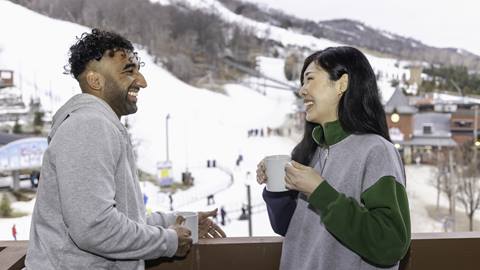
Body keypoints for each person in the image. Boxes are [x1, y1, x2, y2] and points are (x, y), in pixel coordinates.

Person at [25, 29, 225, 270]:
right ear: (95, 81)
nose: (142, 81)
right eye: (129, 71)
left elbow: (124, 218)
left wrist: (177, 221)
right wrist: (168, 241)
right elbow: (95, 227)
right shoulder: (88, 127)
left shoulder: (99, 125)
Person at [256, 46, 410, 270]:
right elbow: (288, 226)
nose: (302, 90)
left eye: (310, 79)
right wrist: (276, 187)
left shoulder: (376, 151)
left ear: (342, 84)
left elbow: (390, 244)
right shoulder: (311, 150)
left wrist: (321, 193)